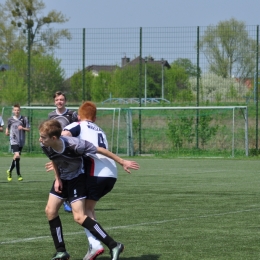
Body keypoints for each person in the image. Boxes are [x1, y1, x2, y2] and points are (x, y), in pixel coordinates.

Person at [39, 119, 139, 260]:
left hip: (76, 180)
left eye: (43, 137)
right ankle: (61, 251)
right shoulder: (45, 145)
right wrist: (57, 179)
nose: (40, 139)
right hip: (63, 179)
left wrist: (122, 162)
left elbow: (100, 150)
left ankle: (113, 245)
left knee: (79, 217)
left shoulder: (75, 145)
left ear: (54, 138)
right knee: (50, 210)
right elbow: (54, 159)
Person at [61, 101, 122, 260]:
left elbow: (62, 137)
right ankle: (94, 244)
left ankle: (103, 244)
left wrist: (59, 156)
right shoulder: (100, 130)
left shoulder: (78, 125)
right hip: (111, 174)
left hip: (96, 173)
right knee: (89, 210)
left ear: (79, 116)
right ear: (94, 118)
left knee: (81, 212)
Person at [48, 91, 78, 212]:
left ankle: (72, 199)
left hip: (71, 149)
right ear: (54, 102)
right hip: (56, 149)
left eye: (61, 99)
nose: (59, 102)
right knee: (60, 173)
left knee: (72, 173)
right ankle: (65, 199)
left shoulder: (72, 114)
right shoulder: (51, 116)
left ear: (65, 101)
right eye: (57, 100)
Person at [5, 104, 30, 182]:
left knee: (16, 158)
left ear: (20, 110)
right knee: (17, 156)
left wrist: (22, 128)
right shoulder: (10, 119)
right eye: (15, 110)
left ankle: (9, 171)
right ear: (13, 111)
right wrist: (6, 131)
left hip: (21, 141)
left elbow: (28, 129)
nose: (16, 111)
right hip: (13, 140)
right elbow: (8, 127)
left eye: (18, 110)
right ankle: (19, 174)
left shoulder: (24, 119)